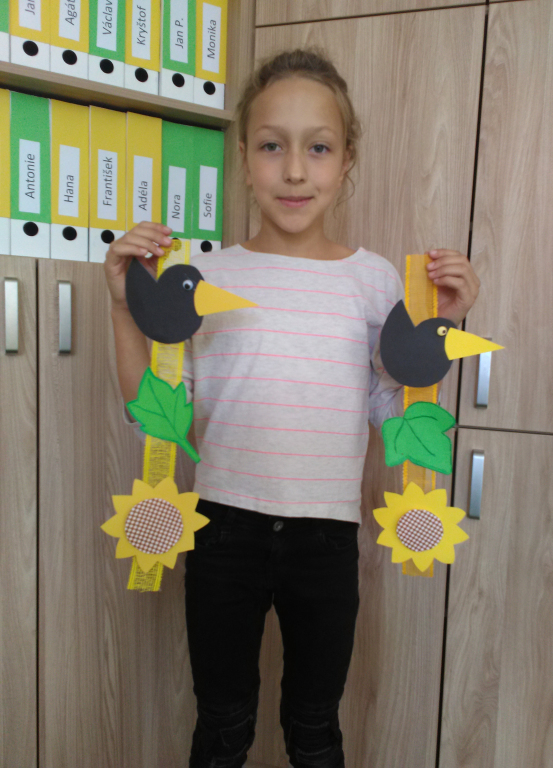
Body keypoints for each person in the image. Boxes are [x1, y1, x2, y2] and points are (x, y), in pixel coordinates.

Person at [104, 47, 480, 768]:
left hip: (325, 541)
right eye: (273, 146)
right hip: (223, 531)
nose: (295, 170)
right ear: (244, 158)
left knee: (314, 728)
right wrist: (126, 308)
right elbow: (156, 414)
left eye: (319, 147)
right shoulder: (202, 276)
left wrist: (443, 327)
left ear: (347, 160)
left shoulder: (375, 283)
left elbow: (392, 408)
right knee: (222, 726)